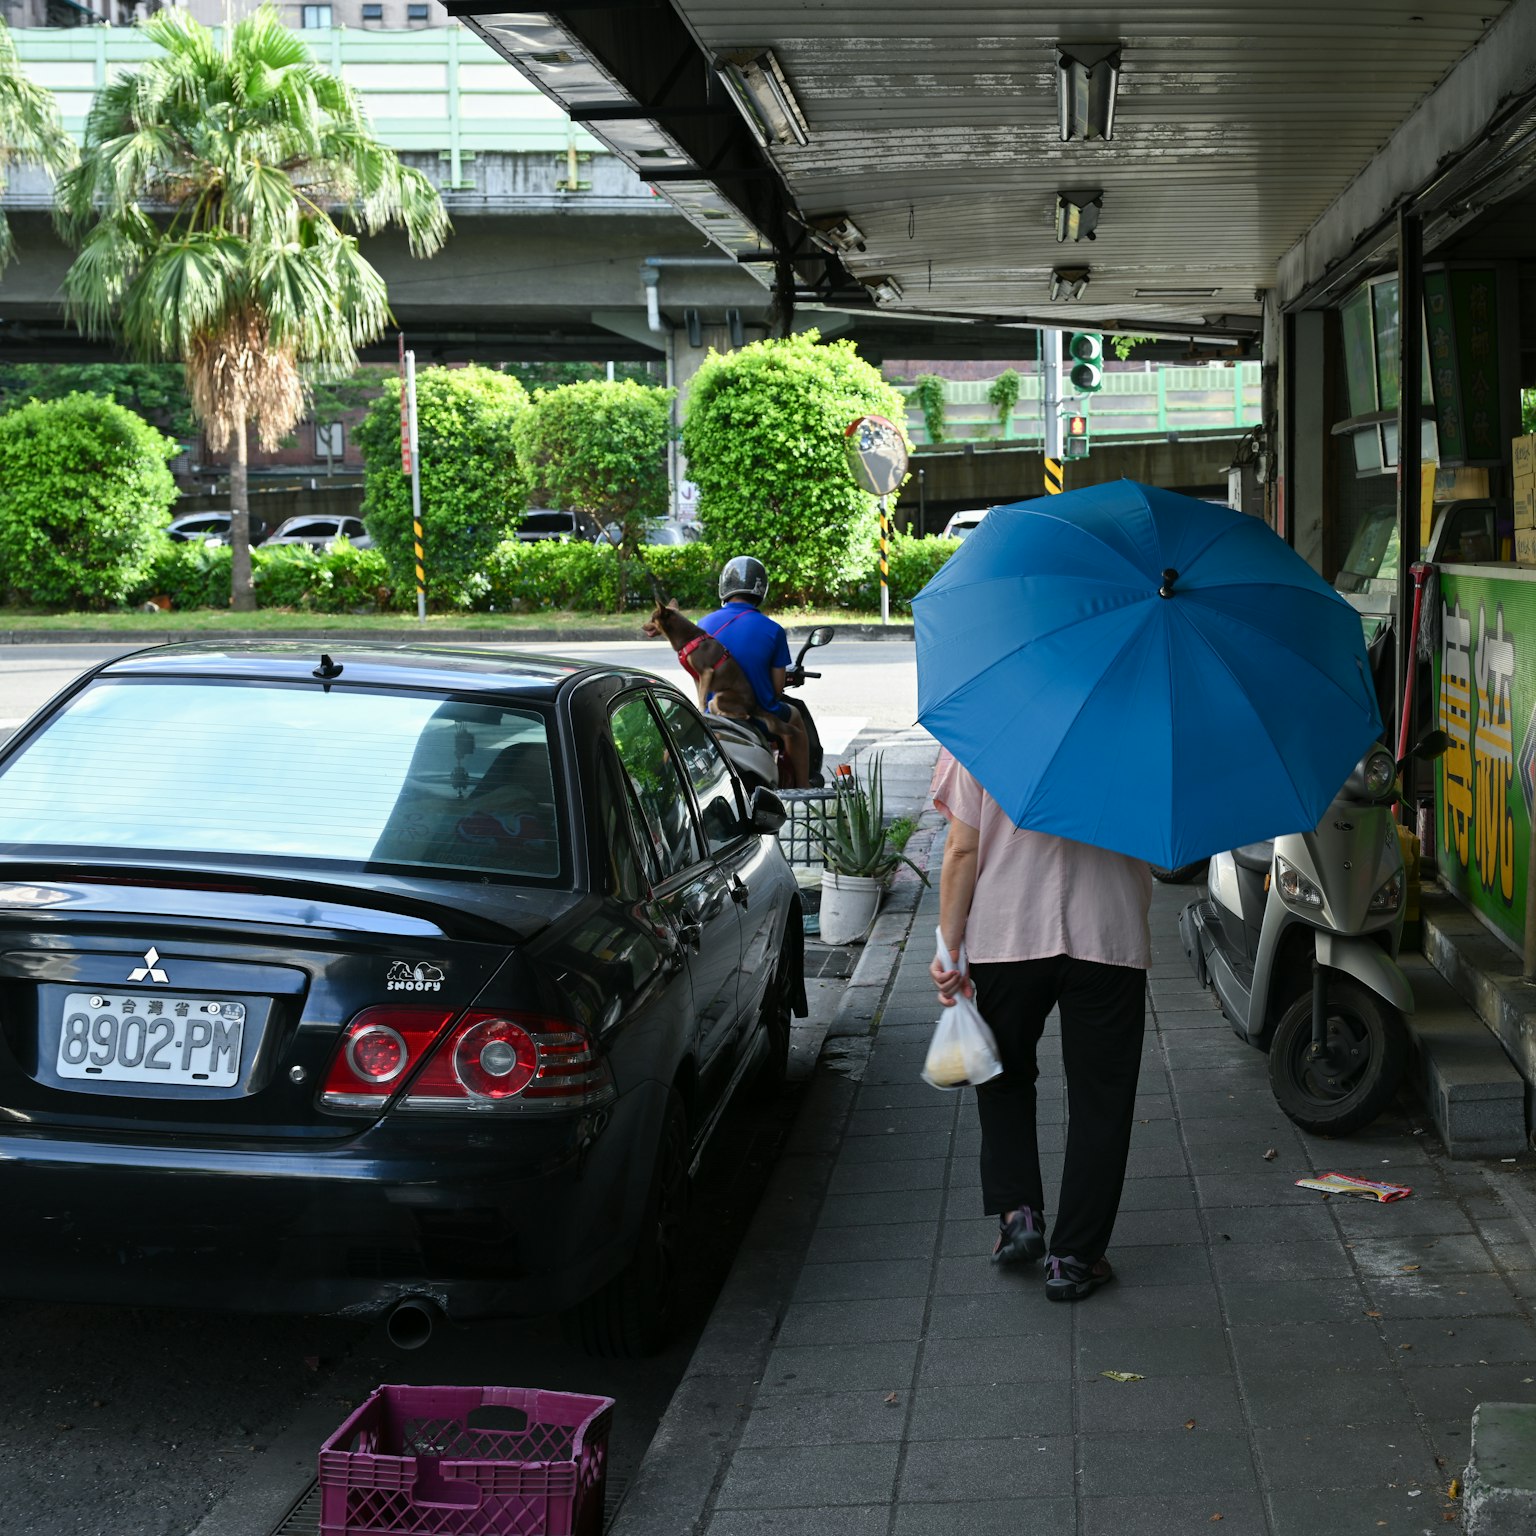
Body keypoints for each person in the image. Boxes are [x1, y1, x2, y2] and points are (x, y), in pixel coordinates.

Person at [928, 749, 1152, 1302]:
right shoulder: (1140, 730)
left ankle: (1018, 1213)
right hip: (1110, 931)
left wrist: (949, 947)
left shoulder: (985, 726)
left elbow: (961, 846)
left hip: (1008, 931)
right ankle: (1075, 1257)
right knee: (1102, 1098)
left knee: (1002, 1076)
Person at [698, 555, 809, 788]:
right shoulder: (773, 630)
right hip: (759, 717)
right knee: (796, 720)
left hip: (714, 716)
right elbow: (777, 689)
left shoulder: (703, 624)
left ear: (725, 587)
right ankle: (802, 786)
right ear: (761, 589)